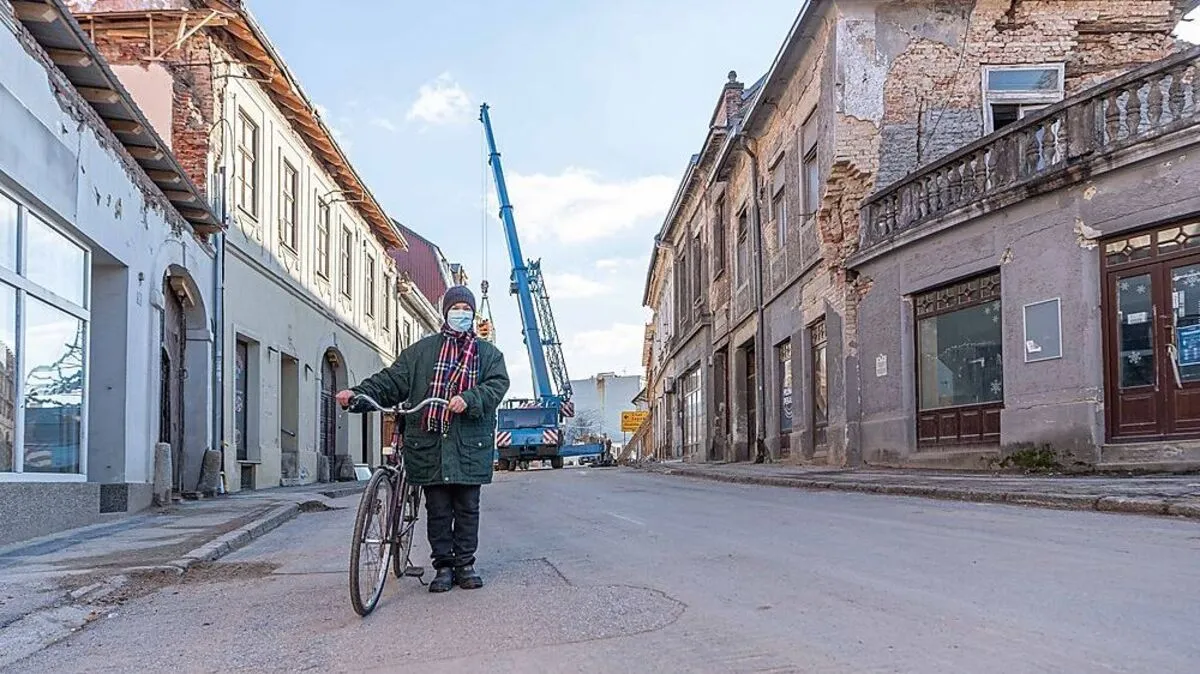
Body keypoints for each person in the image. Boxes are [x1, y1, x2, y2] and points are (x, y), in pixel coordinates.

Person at [336, 285, 510, 593]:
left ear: (473, 314)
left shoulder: (488, 355)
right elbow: (390, 381)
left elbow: (497, 385)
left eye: (466, 310)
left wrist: (470, 398)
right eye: (455, 309)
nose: (461, 314)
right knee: (439, 508)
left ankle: (465, 564)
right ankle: (443, 566)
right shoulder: (421, 352)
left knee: (467, 507)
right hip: (429, 443)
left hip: (469, 443)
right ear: (445, 313)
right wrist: (358, 395)